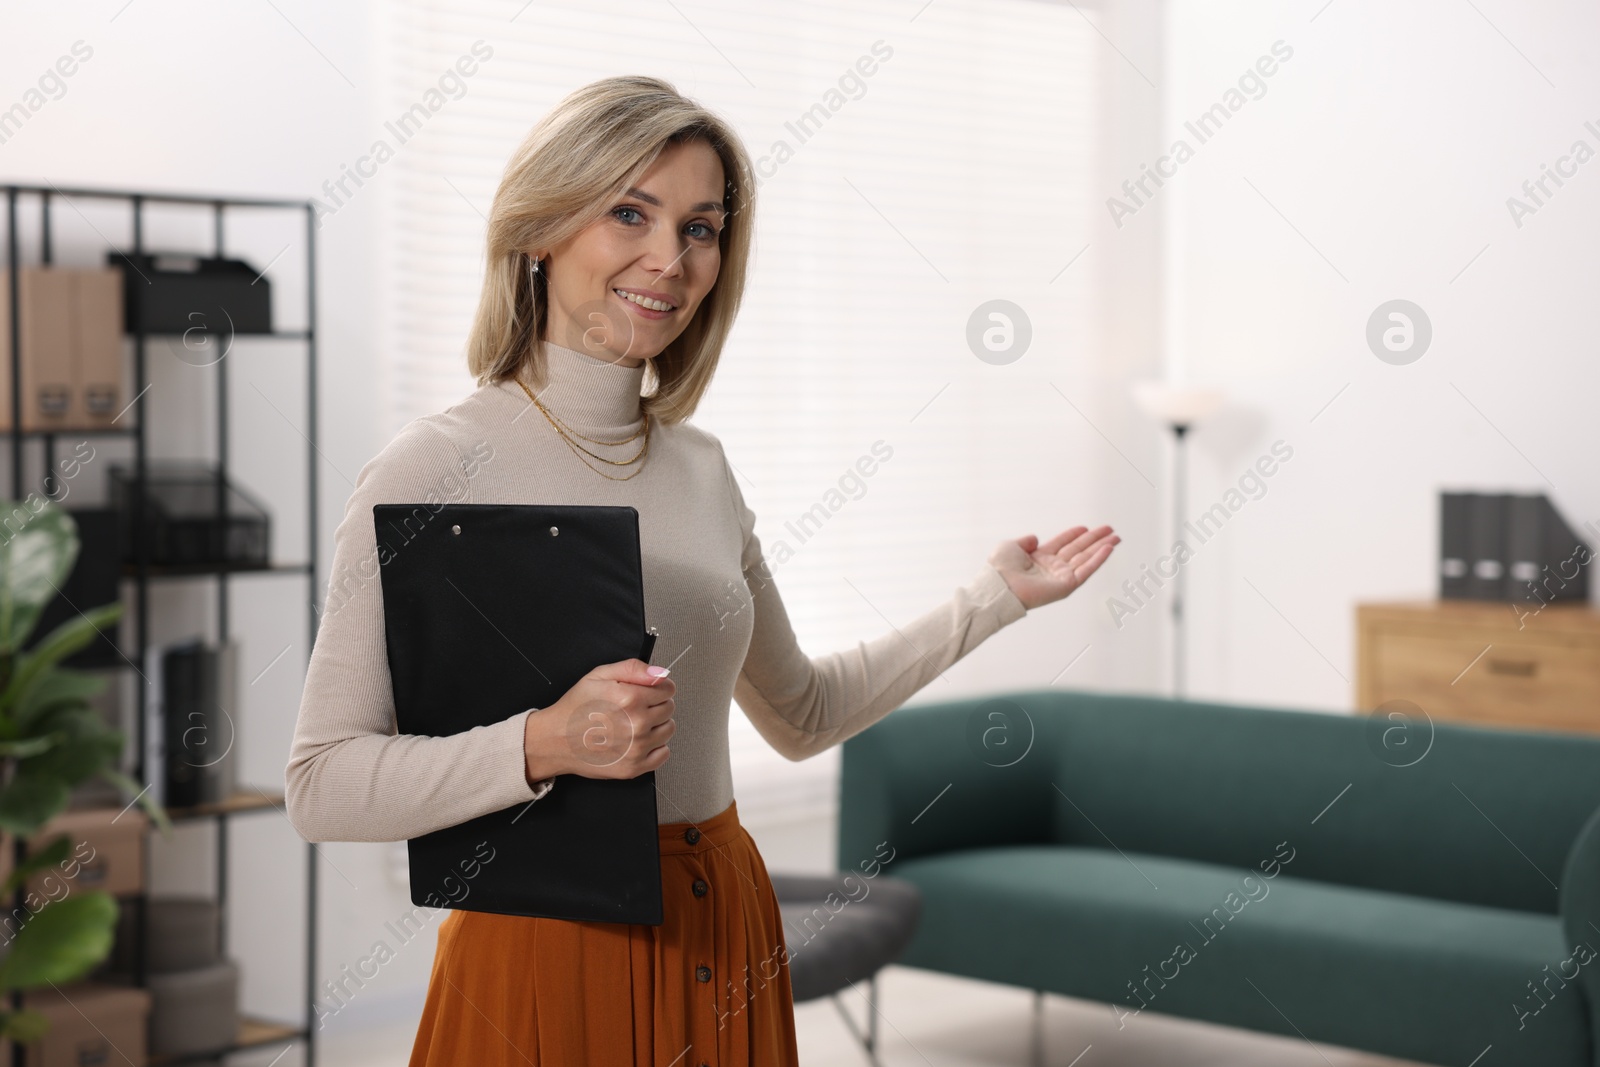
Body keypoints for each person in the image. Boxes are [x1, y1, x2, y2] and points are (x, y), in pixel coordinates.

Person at [284, 74, 1119, 1067]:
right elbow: (322, 782)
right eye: (628, 211)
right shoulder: (430, 466)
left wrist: (989, 601)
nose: (669, 258)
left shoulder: (700, 466)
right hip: (543, 952)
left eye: (701, 226)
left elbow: (801, 711)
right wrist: (546, 742)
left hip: (721, 922)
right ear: (541, 227)